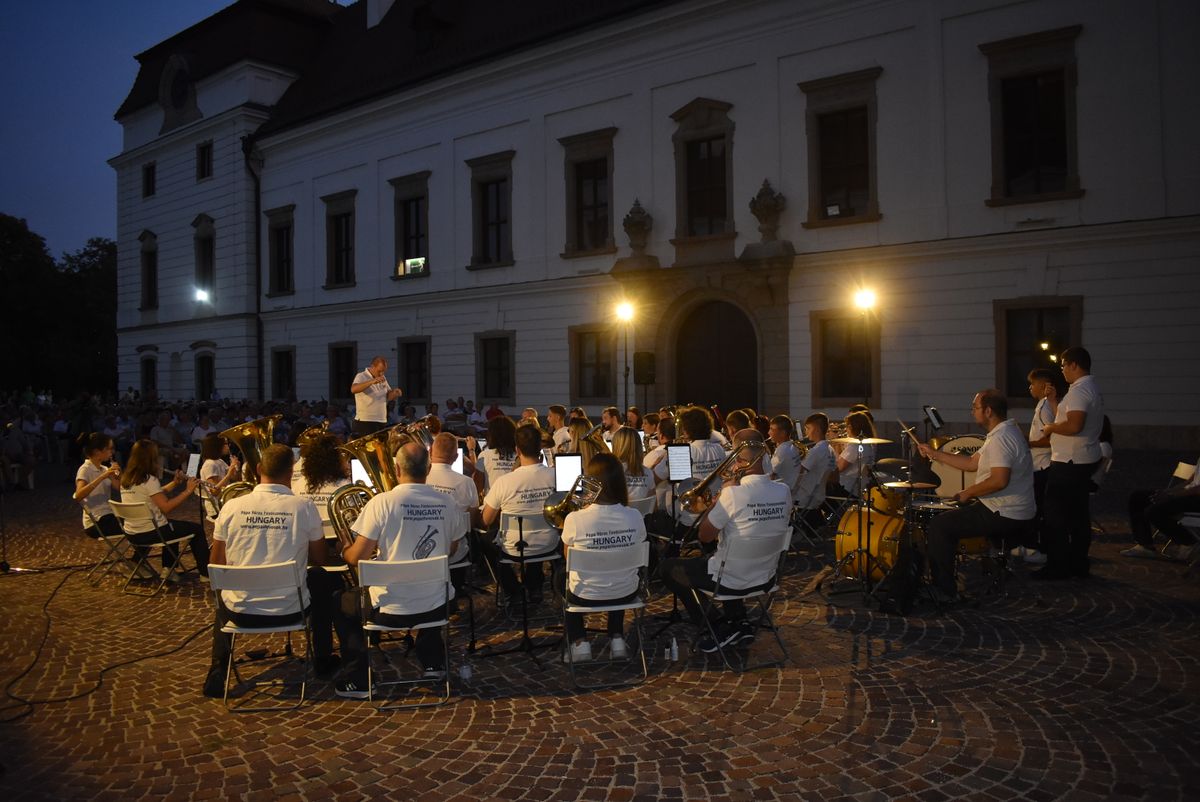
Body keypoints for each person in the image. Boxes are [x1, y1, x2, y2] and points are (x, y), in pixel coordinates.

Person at [202, 444, 345, 697]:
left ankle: (217, 671)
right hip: (291, 609)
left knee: (223, 592)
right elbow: (320, 558)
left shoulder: (231, 507)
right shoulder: (304, 507)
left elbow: (216, 565)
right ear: (291, 473)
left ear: (258, 469)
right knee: (323, 579)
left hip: (240, 611)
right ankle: (323, 658)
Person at [337, 442, 464, 697]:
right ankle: (433, 662)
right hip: (437, 606)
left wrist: (344, 548)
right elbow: (450, 550)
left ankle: (358, 678)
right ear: (428, 469)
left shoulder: (381, 503)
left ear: (396, 469)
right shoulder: (448, 503)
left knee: (339, 603)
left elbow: (356, 558)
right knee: (429, 584)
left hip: (387, 610)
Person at [660, 429, 789, 651]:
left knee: (668, 568)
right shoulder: (784, 491)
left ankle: (717, 626)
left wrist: (724, 492)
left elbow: (704, 535)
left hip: (732, 577)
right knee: (723, 556)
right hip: (766, 575)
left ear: (738, 460)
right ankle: (739, 622)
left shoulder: (733, 494)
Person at [917, 389, 1035, 603]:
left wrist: (968, 492)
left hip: (1006, 511)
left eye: (975, 407)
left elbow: (1000, 480)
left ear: (988, 411)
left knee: (940, 526)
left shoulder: (1002, 438)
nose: (972, 412)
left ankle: (944, 591)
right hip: (1008, 506)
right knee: (949, 516)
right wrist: (934, 454)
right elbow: (972, 463)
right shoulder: (1003, 433)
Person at [559, 452, 646, 663]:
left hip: (585, 595)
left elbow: (568, 557)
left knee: (560, 579)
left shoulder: (574, 519)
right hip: (626, 592)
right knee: (616, 569)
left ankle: (580, 643)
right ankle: (616, 638)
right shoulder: (635, 516)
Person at [1035, 347, 1104, 580]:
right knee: (1077, 515)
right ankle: (1077, 563)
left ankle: (1058, 565)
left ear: (1074, 364)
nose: (1061, 369)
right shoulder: (1089, 388)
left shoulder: (1079, 391)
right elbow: (1068, 419)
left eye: (1064, 364)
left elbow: (1074, 426)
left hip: (1070, 461)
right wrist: (1055, 403)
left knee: (1055, 515)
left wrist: (1051, 428)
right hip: (1082, 458)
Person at [479, 425, 557, 607]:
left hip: (514, 548)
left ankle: (513, 589)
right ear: (540, 448)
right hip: (549, 543)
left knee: (485, 540)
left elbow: (486, 521)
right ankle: (534, 586)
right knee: (540, 529)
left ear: (517, 450)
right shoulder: (556, 476)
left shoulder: (504, 482)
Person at [119, 439, 210, 581]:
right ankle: (205, 573)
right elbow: (166, 507)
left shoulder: (127, 479)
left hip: (133, 532)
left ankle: (168, 569)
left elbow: (155, 494)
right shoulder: (149, 480)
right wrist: (187, 491)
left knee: (171, 525)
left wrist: (174, 483)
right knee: (196, 529)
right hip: (151, 532)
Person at [1014, 368, 1067, 565]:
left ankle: (1035, 547)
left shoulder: (1045, 406)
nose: (1029, 387)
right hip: (1039, 465)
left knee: (1036, 509)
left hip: (1043, 466)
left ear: (1044, 385)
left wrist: (1029, 443)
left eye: (1032, 383)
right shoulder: (1041, 405)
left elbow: (1054, 439)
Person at [653, 406, 727, 532]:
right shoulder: (719, 449)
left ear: (686, 430)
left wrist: (657, 462)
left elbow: (654, 479)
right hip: (713, 513)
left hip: (688, 517)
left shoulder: (682, 451)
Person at [1121, 453, 1200, 560]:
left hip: (1196, 499)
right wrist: (1166, 492)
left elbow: (1197, 489)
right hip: (1188, 494)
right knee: (1137, 497)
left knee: (1154, 511)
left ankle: (1189, 542)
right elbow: (1189, 482)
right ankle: (1145, 545)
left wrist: (1170, 495)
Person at [426, 432, 481, 586]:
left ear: (430, 452)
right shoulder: (466, 482)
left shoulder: (420, 479)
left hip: (422, 550)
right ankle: (457, 589)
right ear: (456, 457)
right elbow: (471, 522)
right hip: (455, 553)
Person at [73, 432, 123, 538]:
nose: (112, 452)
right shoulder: (85, 469)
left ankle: (138, 555)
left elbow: (118, 488)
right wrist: (102, 477)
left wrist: (118, 475)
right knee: (135, 528)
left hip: (109, 515)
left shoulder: (104, 469)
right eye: (109, 449)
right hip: (96, 522)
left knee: (139, 524)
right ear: (97, 452)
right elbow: (79, 495)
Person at [350, 356, 403, 437]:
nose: (381, 374)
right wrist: (372, 381)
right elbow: (353, 389)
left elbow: (387, 396)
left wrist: (395, 393)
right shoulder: (361, 376)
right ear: (372, 366)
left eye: (383, 371)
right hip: (366, 421)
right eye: (379, 371)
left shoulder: (382, 378)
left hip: (381, 420)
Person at [198, 434, 240, 518]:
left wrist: (236, 467)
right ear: (216, 446)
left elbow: (235, 478)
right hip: (216, 506)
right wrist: (228, 475)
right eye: (225, 444)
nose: (228, 447)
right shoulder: (209, 465)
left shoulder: (219, 461)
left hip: (224, 500)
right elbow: (214, 491)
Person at [835, 411, 877, 495]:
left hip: (846, 486)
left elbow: (838, 468)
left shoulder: (855, 446)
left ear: (852, 427)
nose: (846, 429)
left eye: (847, 426)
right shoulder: (866, 444)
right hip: (857, 485)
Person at [611, 426, 653, 506]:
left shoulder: (611, 473)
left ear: (616, 446)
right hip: (641, 517)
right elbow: (652, 505)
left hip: (618, 516)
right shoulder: (649, 473)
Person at [475, 415, 517, 495]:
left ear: (491, 434)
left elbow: (478, 487)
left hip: (492, 504)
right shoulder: (520, 455)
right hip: (515, 502)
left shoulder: (485, 455)